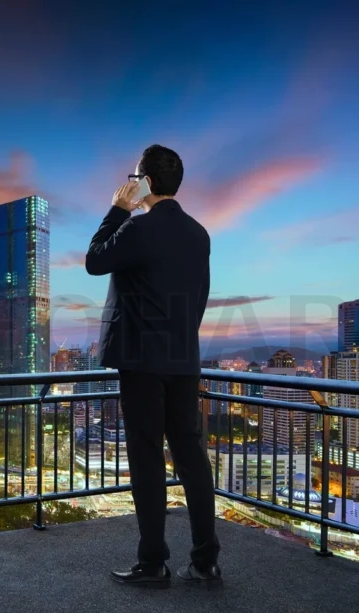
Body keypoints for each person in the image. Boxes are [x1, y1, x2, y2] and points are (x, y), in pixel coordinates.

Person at [85, 144, 221, 588]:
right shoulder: (199, 233)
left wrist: (117, 209)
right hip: (184, 359)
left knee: (147, 459)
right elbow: (196, 296)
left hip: (143, 361)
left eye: (135, 175)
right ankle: (205, 560)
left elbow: (94, 260)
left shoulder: (138, 228)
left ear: (145, 181)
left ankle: (153, 562)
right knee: (191, 458)